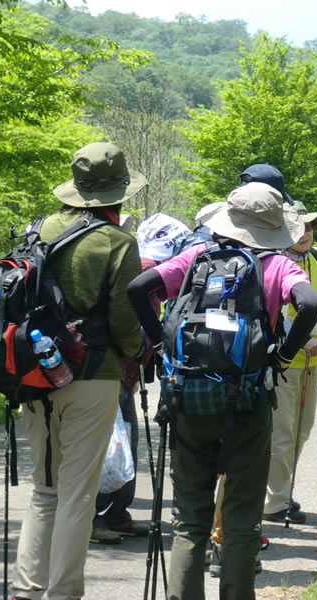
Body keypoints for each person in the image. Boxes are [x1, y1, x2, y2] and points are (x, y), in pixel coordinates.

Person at [127, 182, 317, 600]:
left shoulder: (197, 257)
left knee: (189, 520)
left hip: (188, 397)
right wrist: (283, 356)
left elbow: (139, 288)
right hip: (248, 402)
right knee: (241, 516)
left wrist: (161, 345)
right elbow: (309, 305)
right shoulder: (277, 266)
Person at [10, 142, 144, 600]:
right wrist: (140, 353)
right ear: (119, 191)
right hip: (92, 376)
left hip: (34, 375)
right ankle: (64, 593)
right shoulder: (117, 242)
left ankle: (28, 590)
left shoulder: (40, 228)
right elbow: (127, 323)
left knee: (45, 489)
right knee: (77, 495)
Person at [89, 214, 193, 542]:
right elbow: (125, 324)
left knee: (125, 439)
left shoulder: (142, 265)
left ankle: (117, 513)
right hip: (111, 369)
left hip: (123, 372)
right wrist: (144, 347)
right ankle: (97, 518)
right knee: (111, 445)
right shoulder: (145, 271)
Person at [263, 201, 317, 524]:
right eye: (297, 228)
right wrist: (301, 340)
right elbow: (276, 314)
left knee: (303, 431)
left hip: (312, 362)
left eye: (309, 227)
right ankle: (275, 501)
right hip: (285, 360)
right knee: (282, 433)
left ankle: (283, 492)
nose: (305, 233)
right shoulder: (276, 264)